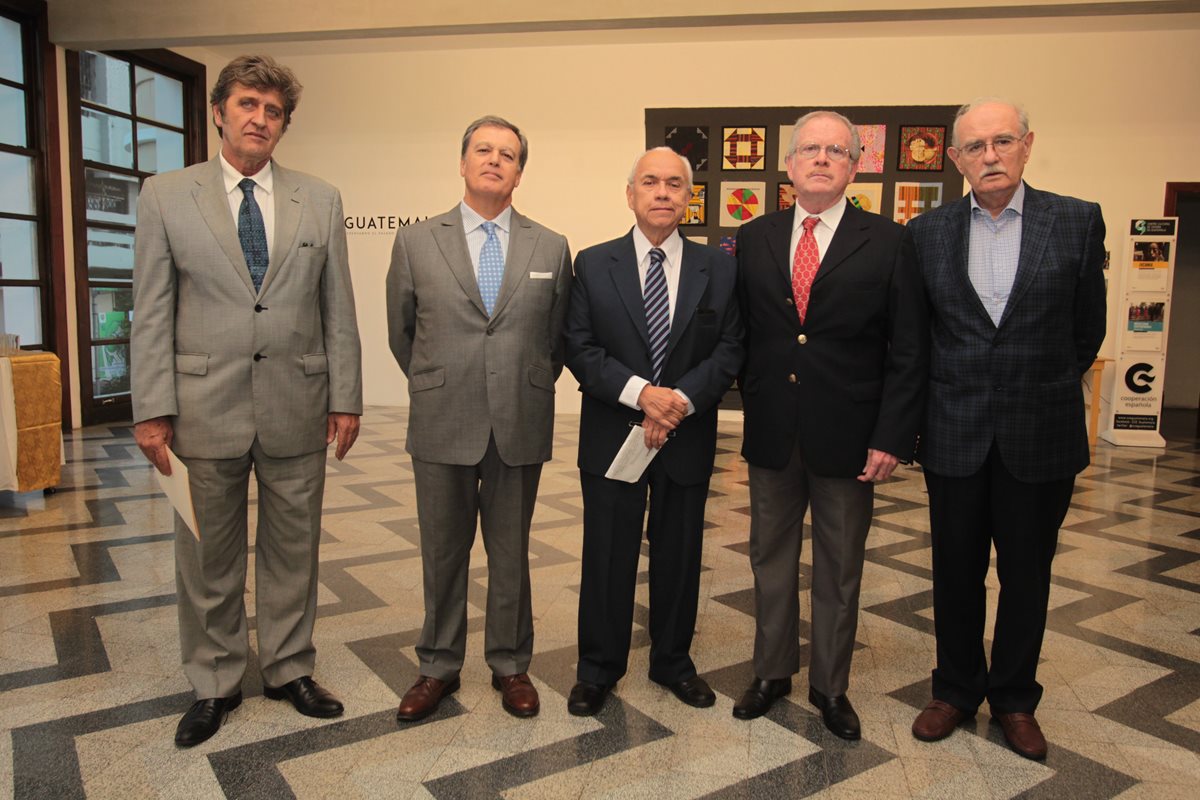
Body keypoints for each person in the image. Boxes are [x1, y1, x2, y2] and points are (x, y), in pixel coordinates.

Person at [131, 55, 362, 747]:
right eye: (248, 105)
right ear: (220, 111)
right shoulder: (166, 194)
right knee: (207, 554)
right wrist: (151, 407)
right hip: (202, 408)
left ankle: (289, 668)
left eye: (273, 110)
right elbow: (150, 310)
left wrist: (345, 395)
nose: (260, 119)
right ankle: (214, 681)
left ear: (284, 124)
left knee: (294, 550)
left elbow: (337, 308)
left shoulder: (319, 198)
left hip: (298, 401)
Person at [907, 98, 1106, 760]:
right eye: (974, 146)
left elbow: (1087, 330)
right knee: (954, 571)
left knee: (1029, 574)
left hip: (1040, 432)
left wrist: (1037, 385)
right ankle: (955, 690)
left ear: (1026, 146)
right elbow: (919, 335)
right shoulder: (926, 232)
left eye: (1001, 142)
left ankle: (1016, 699)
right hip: (954, 432)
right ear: (955, 159)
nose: (989, 155)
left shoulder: (1076, 221)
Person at [732, 111, 928, 738]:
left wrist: (893, 436)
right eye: (809, 149)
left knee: (840, 567)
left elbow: (907, 350)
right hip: (772, 432)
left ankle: (830, 686)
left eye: (835, 151)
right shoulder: (754, 236)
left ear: (853, 166)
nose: (821, 159)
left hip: (851, 438)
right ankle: (770, 672)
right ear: (789, 165)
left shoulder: (892, 242)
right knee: (770, 559)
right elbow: (744, 334)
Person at [386, 116, 572, 722]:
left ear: (521, 171)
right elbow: (402, 331)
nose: (495, 160)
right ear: (462, 163)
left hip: (519, 416)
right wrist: (437, 380)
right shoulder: (417, 241)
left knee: (511, 550)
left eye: (509, 154)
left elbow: (557, 336)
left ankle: (510, 663)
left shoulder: (550, 246)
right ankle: (437, 666)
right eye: (483, 151)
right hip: (443, 418)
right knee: (442, 551)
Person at [563, 147, 743, 716]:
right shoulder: (593, 264)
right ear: (631, 193)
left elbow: (730, 347)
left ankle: (672, 662)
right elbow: (579, 346)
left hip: (685, 436)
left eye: (673, 184)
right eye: (650, 182)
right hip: (615, 431)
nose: (662, 192)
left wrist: (679, 402)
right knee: (608, 555)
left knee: (681, 554)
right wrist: (643, 395)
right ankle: (598, 669)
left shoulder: (720, 267)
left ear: (689, 197)